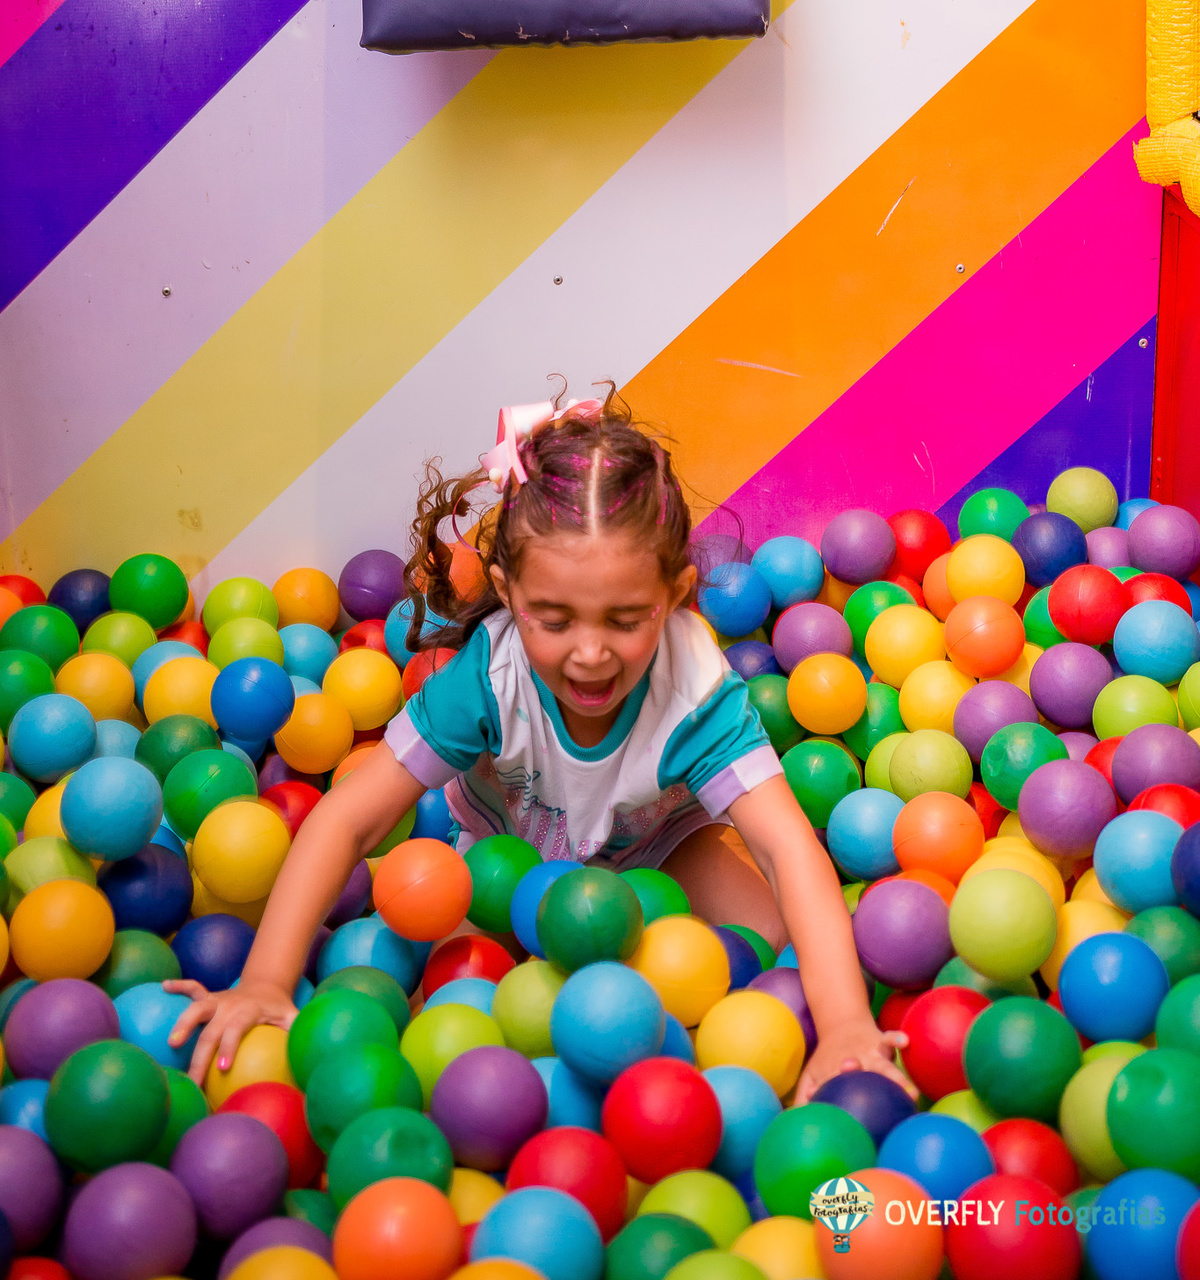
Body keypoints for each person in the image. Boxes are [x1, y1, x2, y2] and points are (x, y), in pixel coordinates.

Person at [168, 392, 910, 1101]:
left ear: (676, 595)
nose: (590, 653)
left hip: (657, 845)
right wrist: (266, 978)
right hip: (508, 861)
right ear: (507, 592)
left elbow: (786, 847)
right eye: (553, 620)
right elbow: (350, 817)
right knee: (455, 1005)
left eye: (626, 620)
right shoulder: (489, 677)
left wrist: (846, 1022)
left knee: (763, 941)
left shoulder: (694, 687)